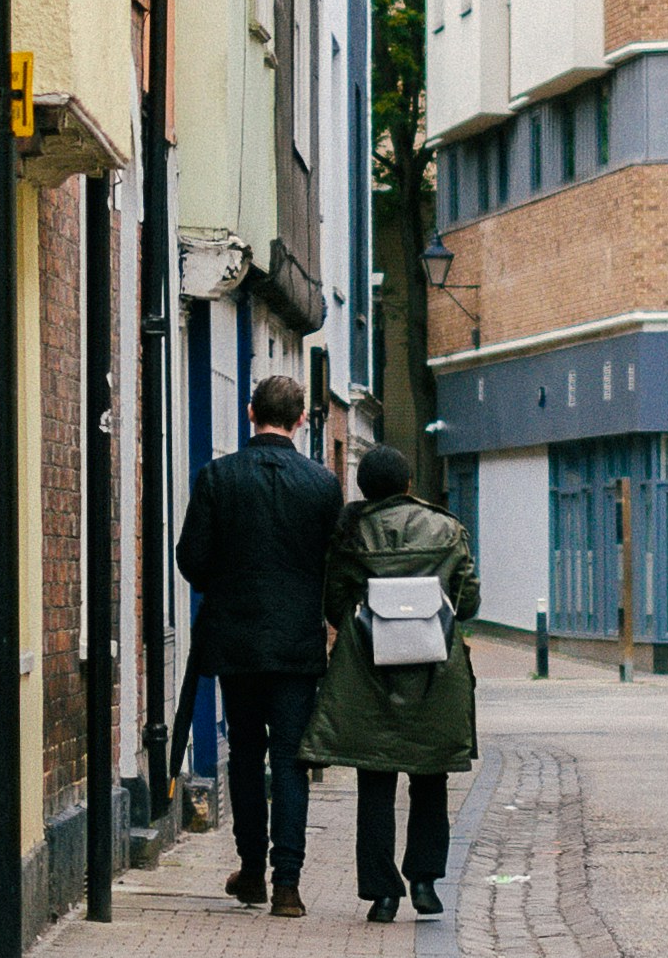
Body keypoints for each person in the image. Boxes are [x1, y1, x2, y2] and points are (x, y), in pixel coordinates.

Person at [175, 370, 345, 916]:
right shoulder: (322, 485)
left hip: (238, 642)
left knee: (245, 755)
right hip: (296, 645)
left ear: (250, 413)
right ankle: (288, 885)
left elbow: (191, 560)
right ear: (300, 420)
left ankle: (250, 870)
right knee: (292, 760)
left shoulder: (218, 477)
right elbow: (334, 564)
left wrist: (227, 581)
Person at [302, 444, 479, 921]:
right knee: (430, 777)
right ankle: (425, 881)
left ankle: (382, 894)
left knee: (374, 778)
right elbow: (467, 603)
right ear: (408, 484)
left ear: (364, 488)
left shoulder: (351, 532)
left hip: (367, 671)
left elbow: (334, 600)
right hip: (435, 672)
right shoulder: (447, 528)